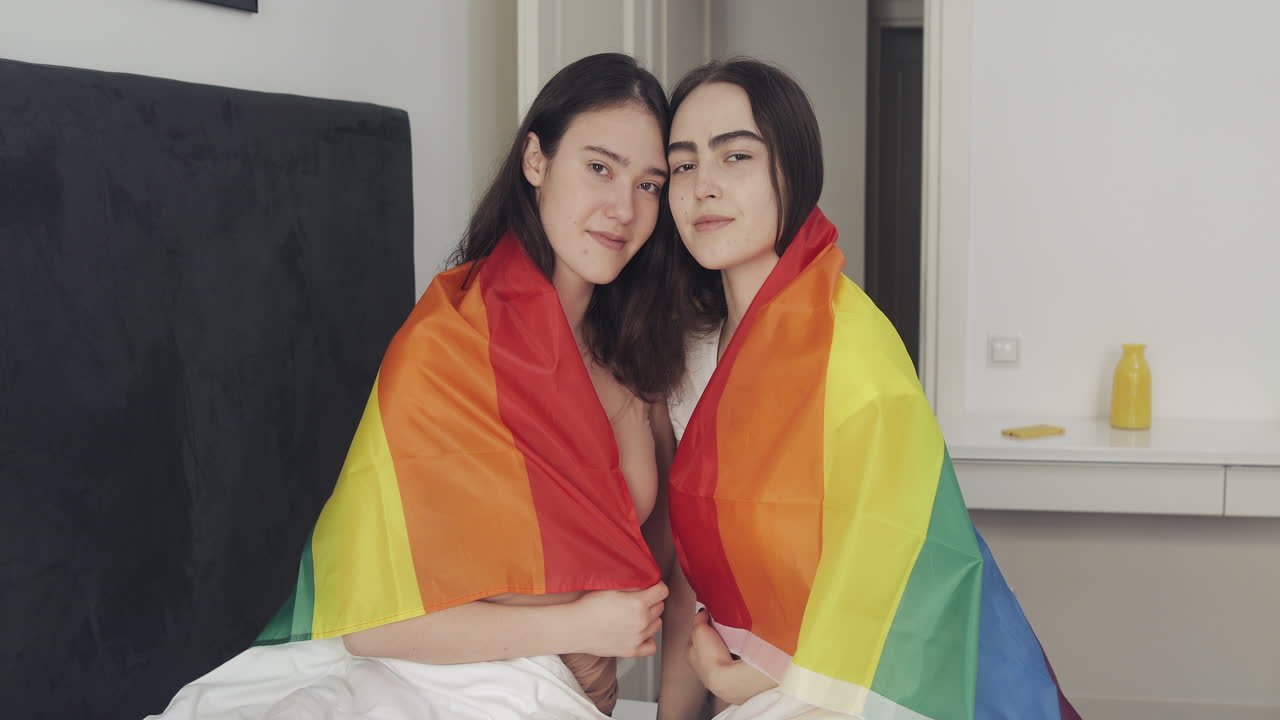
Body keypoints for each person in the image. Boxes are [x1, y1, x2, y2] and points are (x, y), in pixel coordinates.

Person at [151, 52, 684, 720]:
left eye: (649, 185)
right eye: (600, 168)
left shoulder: (638, 360)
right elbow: (375, 626)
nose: (623, 208)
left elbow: (667, 559)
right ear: (536, 161)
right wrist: (577, 627)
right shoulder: (449, 347)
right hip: (434, 674)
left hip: (562, 691)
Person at [656, 58, 1081, 720]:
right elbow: (695, 566)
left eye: (735, 156)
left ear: (792, 173)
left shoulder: (850, 346)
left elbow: (897, 568)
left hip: (865, 683)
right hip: (747, 669)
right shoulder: (687, 353)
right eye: (683, 165)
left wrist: (764, 680)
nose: (703, 186)